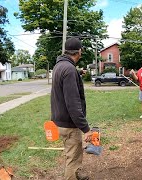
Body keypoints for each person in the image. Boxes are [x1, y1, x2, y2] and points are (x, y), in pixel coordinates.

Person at [51, 37, 92, 180]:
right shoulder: (69, 69)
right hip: (69, 123)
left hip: (59, 120)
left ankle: (77, 175)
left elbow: (65, 83)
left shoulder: (59, 66)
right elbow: (73, 104)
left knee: (72, 153)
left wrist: (78, 74)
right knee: (72, 159)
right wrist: (85, 128)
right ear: (79, 51)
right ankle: (72, 176)